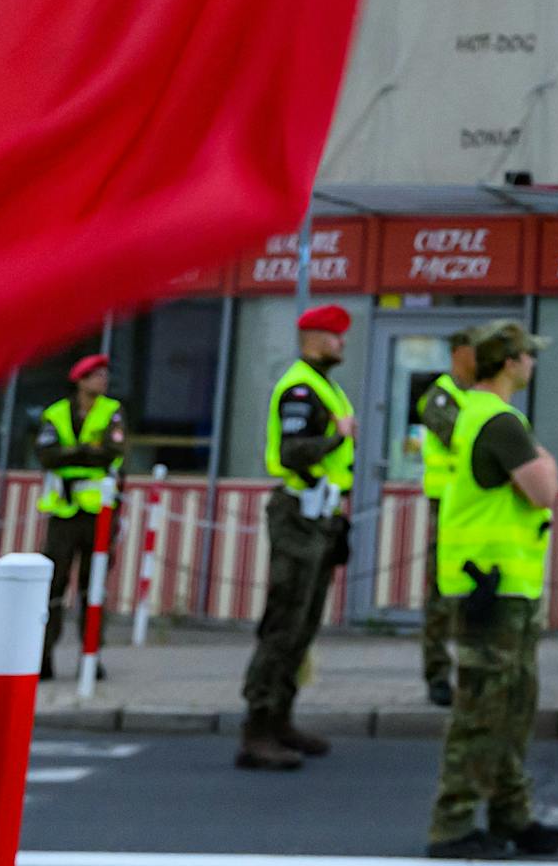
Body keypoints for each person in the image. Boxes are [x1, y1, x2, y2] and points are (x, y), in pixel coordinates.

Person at [426, 320, 558, 860]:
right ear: (510, 363)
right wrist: (546, 459)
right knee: (483, 711)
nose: (532, 363)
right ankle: (453, 826)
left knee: (512, 707)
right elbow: (544, 491)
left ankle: (513, 814)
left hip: (500, 585)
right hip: (493, 588)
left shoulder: (480, 414)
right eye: (528, 355)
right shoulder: (501, 421)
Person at [235, 303, 357, 771]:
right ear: (313, 338)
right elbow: (293, 452)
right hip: (298, 516)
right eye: (335, 335)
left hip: (320, 516)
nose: (341, 342)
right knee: (284, 622)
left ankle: (281, 718)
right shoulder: (301, 389)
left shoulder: (324, 387)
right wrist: (337, 437)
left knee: (303, 625)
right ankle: (257, 728)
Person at [35, 351, 127, 682]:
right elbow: (47, 455)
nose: (103, 381)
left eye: (105, 375)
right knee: (53, 587)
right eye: (96, 376)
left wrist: (71, 453)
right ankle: (43, 656)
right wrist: (87, 450)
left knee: (93, 588)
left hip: (98, 514)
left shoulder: (112, 411)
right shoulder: (56, 413)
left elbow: (112, 452)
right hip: (64, 511)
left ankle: (91, 656)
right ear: (80, 380)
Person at [419, 328, 478, 707]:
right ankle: (438, 674)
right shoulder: (439, 397)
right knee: (442, 595)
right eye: (476, 351)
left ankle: (473, 671)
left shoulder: (479, 396)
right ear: (459, 353)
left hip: (476, 506)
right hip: (447, 507)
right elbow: (466, 439)